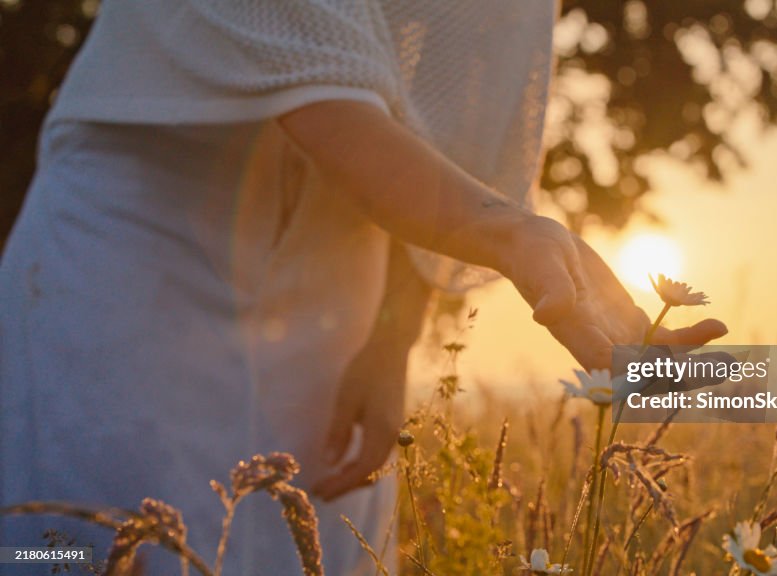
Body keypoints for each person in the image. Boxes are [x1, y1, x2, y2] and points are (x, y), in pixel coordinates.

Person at [0, 0, 727, 574]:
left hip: (342, 272)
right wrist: (511, 234)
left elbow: (460, 118)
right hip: (141, 241)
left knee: (307, 539)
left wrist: (392, 334)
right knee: (97, 536)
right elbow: (325, 97)